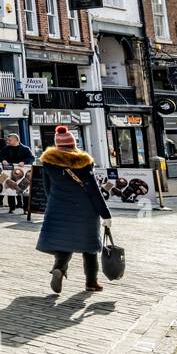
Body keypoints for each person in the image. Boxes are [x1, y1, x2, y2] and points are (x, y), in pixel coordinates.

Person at [37, 125, 112, 293]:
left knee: (64, 243)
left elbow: (47, 189)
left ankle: (59, 269)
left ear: (57, 145)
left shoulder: (48, 162)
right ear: (74, 144)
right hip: (84, 209)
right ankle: (91, 282)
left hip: (58, 208)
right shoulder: (84, 162)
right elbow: (93, 190)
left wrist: (56, 203)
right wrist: (105, 214)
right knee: (90, 247)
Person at [0, 132, 35, 213]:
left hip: (22, 173)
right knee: (9, 189)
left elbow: (32, 158)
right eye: (7, 140)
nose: (8, 141)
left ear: (16, 140)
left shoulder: (25, 149)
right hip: (9, 171)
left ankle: (26, 209)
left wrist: (24, 162)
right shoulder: (6, 148)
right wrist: (3, 160)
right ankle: (11, 207)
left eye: (9, 140)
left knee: (24, 191)